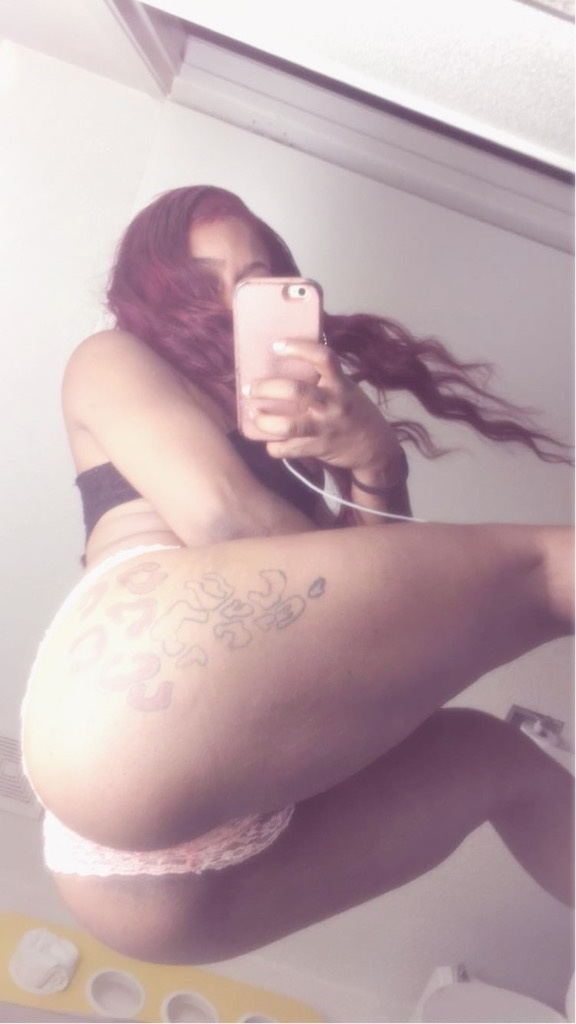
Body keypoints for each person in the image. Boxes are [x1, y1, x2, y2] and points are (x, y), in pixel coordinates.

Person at [21, 185, 573, 966]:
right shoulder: (112, 359)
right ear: (147, 292)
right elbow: (228, 525)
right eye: (199, 283)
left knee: (497, 763)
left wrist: (372, 463)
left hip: (166, 893)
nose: (228, 301)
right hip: (130, 708)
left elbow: (354, 628)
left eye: (254, 281)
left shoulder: (304, 431)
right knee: (550, 570)